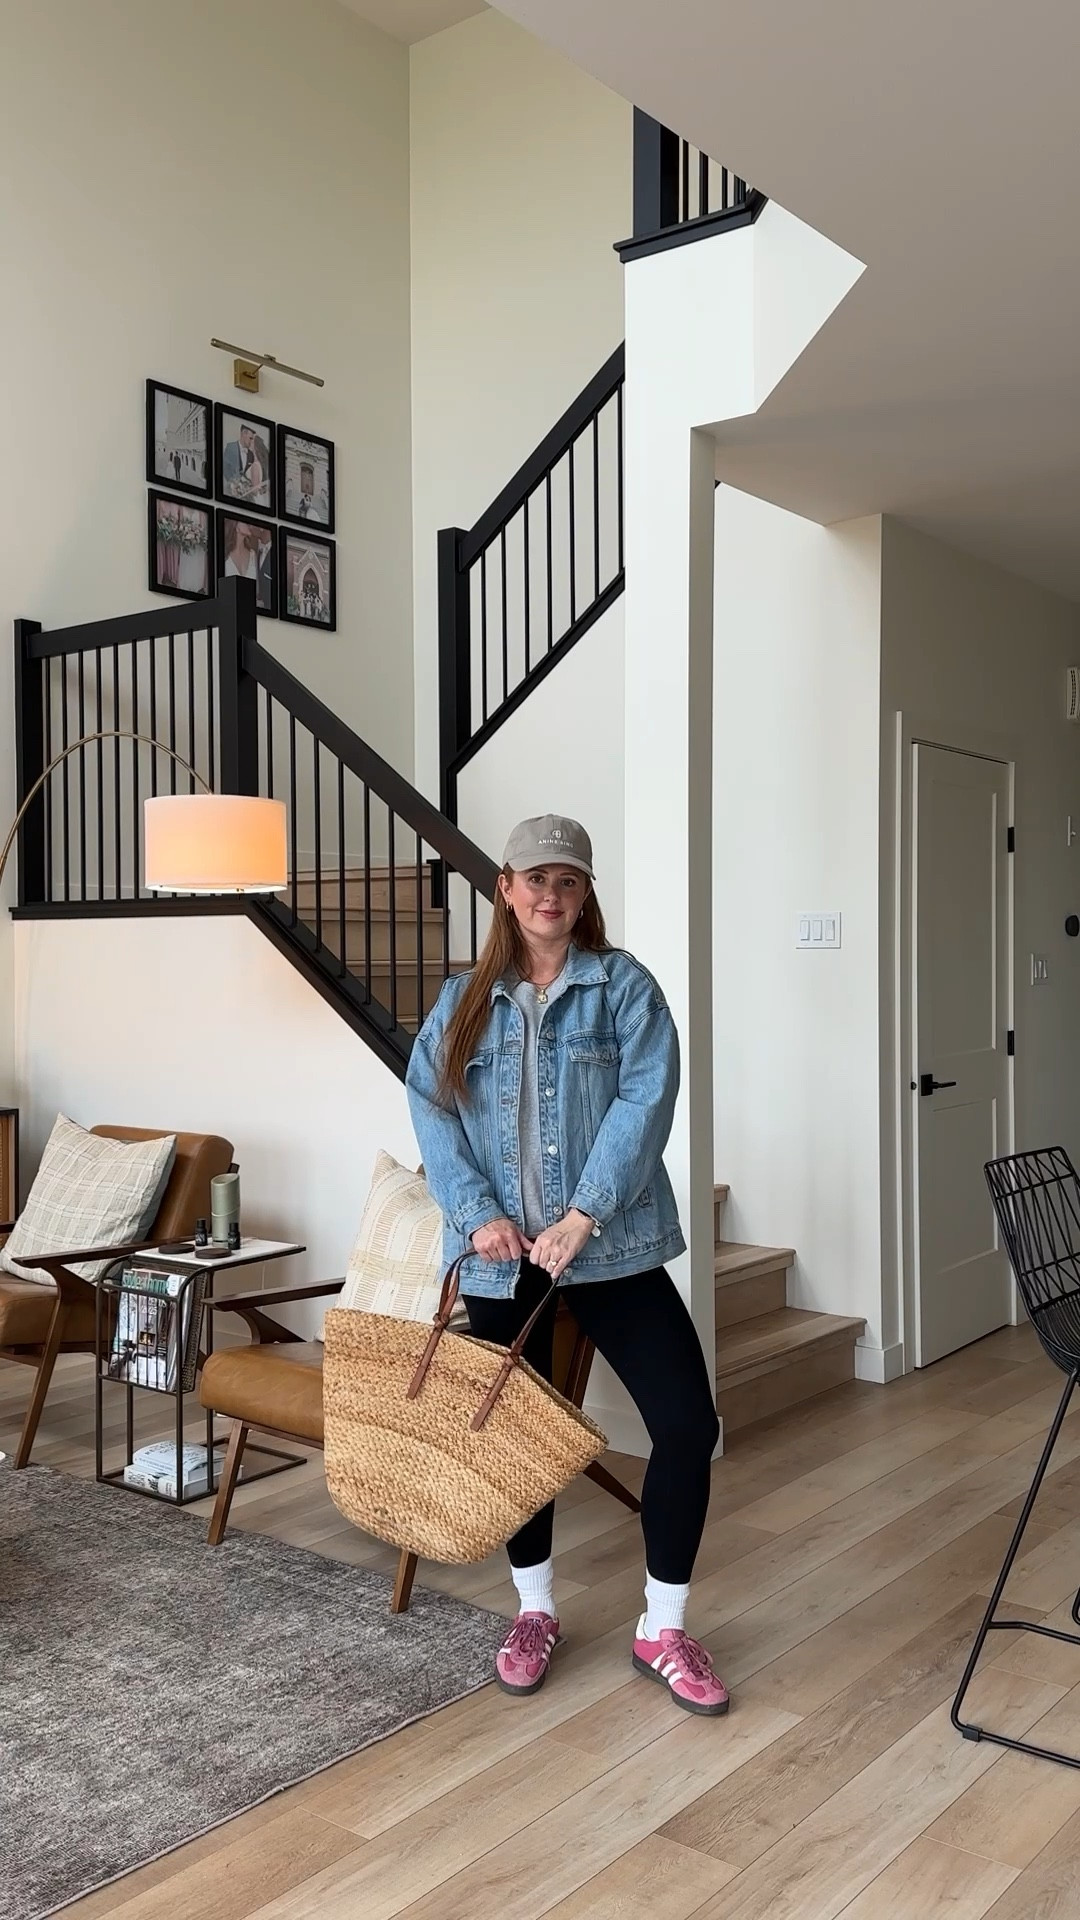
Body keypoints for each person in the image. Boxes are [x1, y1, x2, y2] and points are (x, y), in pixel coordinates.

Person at [406, 815, 727, 1714]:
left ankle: (662, 1627)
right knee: (521, 1444)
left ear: (585, 896)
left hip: (611, 1251)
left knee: (687, 1426)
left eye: (570, 881)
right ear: (505, 887)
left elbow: (646, 1100)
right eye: (535, 878)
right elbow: (432, 1111)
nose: (551, 895)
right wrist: (477, 1219)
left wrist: (585, 1215)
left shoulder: (623, 988)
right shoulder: (462, 998)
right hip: (504, 1265)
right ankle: (534, 1609)